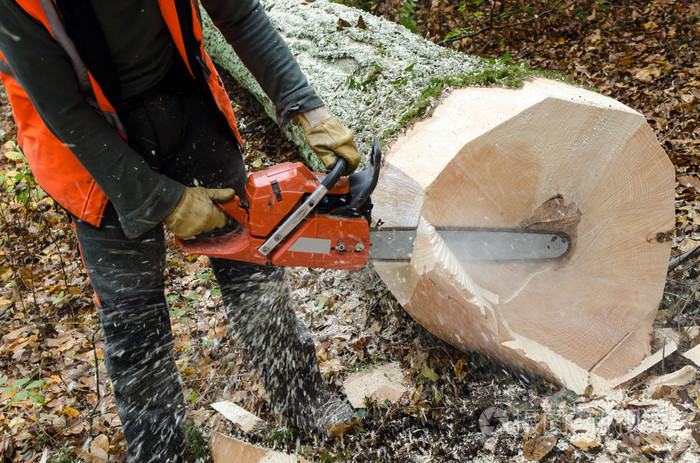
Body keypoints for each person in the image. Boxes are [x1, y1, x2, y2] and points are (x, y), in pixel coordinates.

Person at [0, 0, 361, 461]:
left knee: (254, 266)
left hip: (184, 103)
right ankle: (160, 453)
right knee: (134, 318)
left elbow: (240, 13)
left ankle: (303, 399)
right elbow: (64, 111)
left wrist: (308, 108)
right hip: (90, 148)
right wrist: (164, 201)